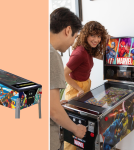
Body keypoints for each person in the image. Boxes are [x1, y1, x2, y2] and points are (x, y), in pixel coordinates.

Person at [64, 21, 109, 150]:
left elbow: (102, 57)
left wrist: (108, 41)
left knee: (82, 125)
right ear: (86, 35)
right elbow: (64, 74)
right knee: (71, 127)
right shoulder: (80, 52)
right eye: (93, 36)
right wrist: (78, 89)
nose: (96, 40)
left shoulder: (88, 49)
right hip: (75, 89)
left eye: (99, 36)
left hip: (84, 87)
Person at [50, 7, 86, 150]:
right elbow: (53, 111)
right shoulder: (52, 55)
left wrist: (56, 102)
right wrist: (76, 129)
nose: (73, 42)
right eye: (75, 36)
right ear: (67, 30)